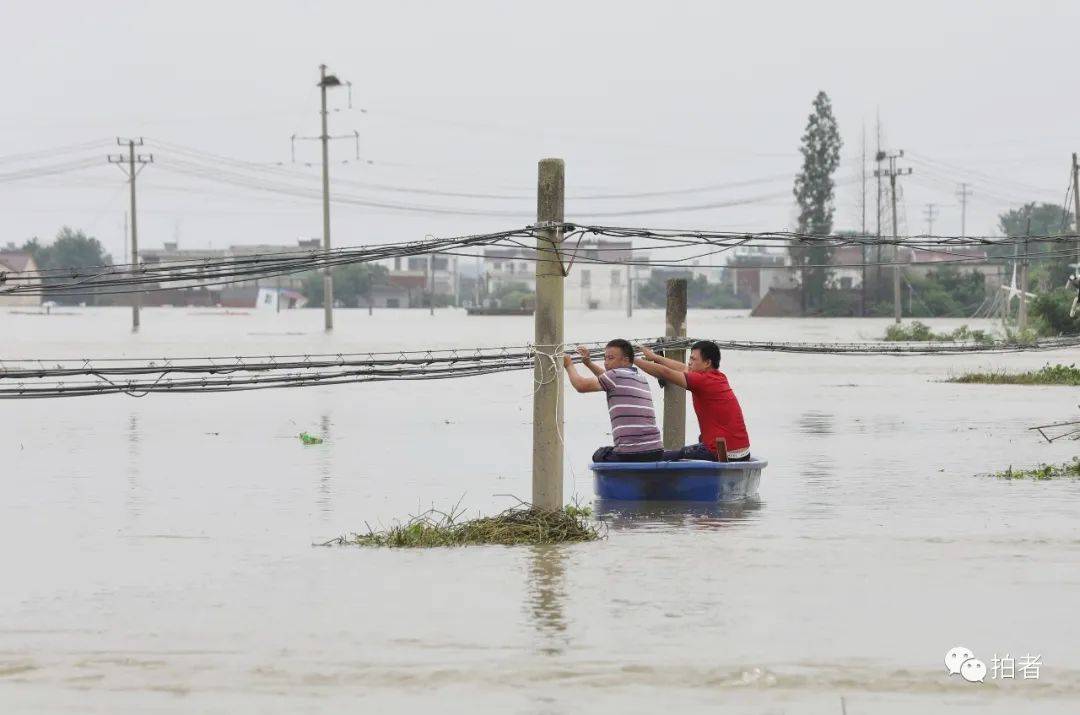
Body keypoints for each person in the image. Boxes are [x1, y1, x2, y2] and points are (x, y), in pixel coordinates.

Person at [634, 340, 751, 461]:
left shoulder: (701, 381)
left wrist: (632, 359)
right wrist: (655, 357)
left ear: (707, 363)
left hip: (724, 454)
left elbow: (665, 373)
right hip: (742, 453)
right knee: (686, 449)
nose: (689, 363)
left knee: (662, 456)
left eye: (693, 360)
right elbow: (682, 368)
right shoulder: (719, 377)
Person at [563, 339, 664, 463]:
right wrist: (588, 363)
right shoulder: (640, 378)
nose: (606, 363)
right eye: (605, 358)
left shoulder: (614, 376)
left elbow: (581, 385)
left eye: (610, 358)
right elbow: (607, 377)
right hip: (655, 450)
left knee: (599, 455)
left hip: (631, 452)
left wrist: (568, 365)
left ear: (626, 360)